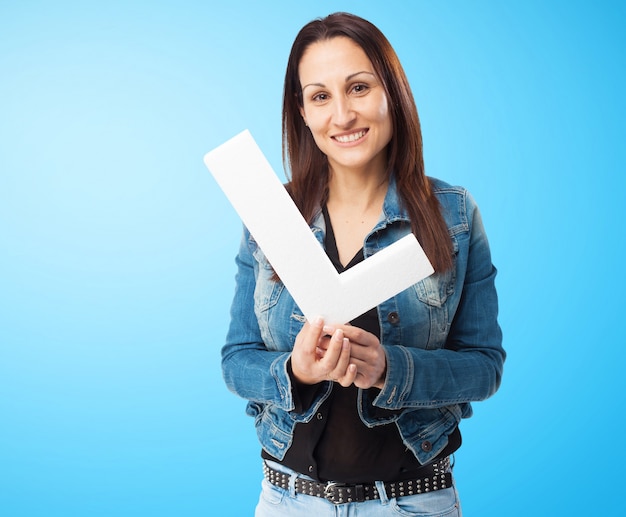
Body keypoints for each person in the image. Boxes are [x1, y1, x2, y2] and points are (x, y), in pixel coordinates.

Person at [221, 12, 504, 516]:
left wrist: (390, 369)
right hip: (288, 501)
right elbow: (236, 360)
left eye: (358, 87)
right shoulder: (270, 215)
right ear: (302, 112)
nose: (343, 115)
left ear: (392, 93)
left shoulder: (454, 216)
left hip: (412, 502)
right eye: (321, 96)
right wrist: (296, 371)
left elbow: (484, 368)